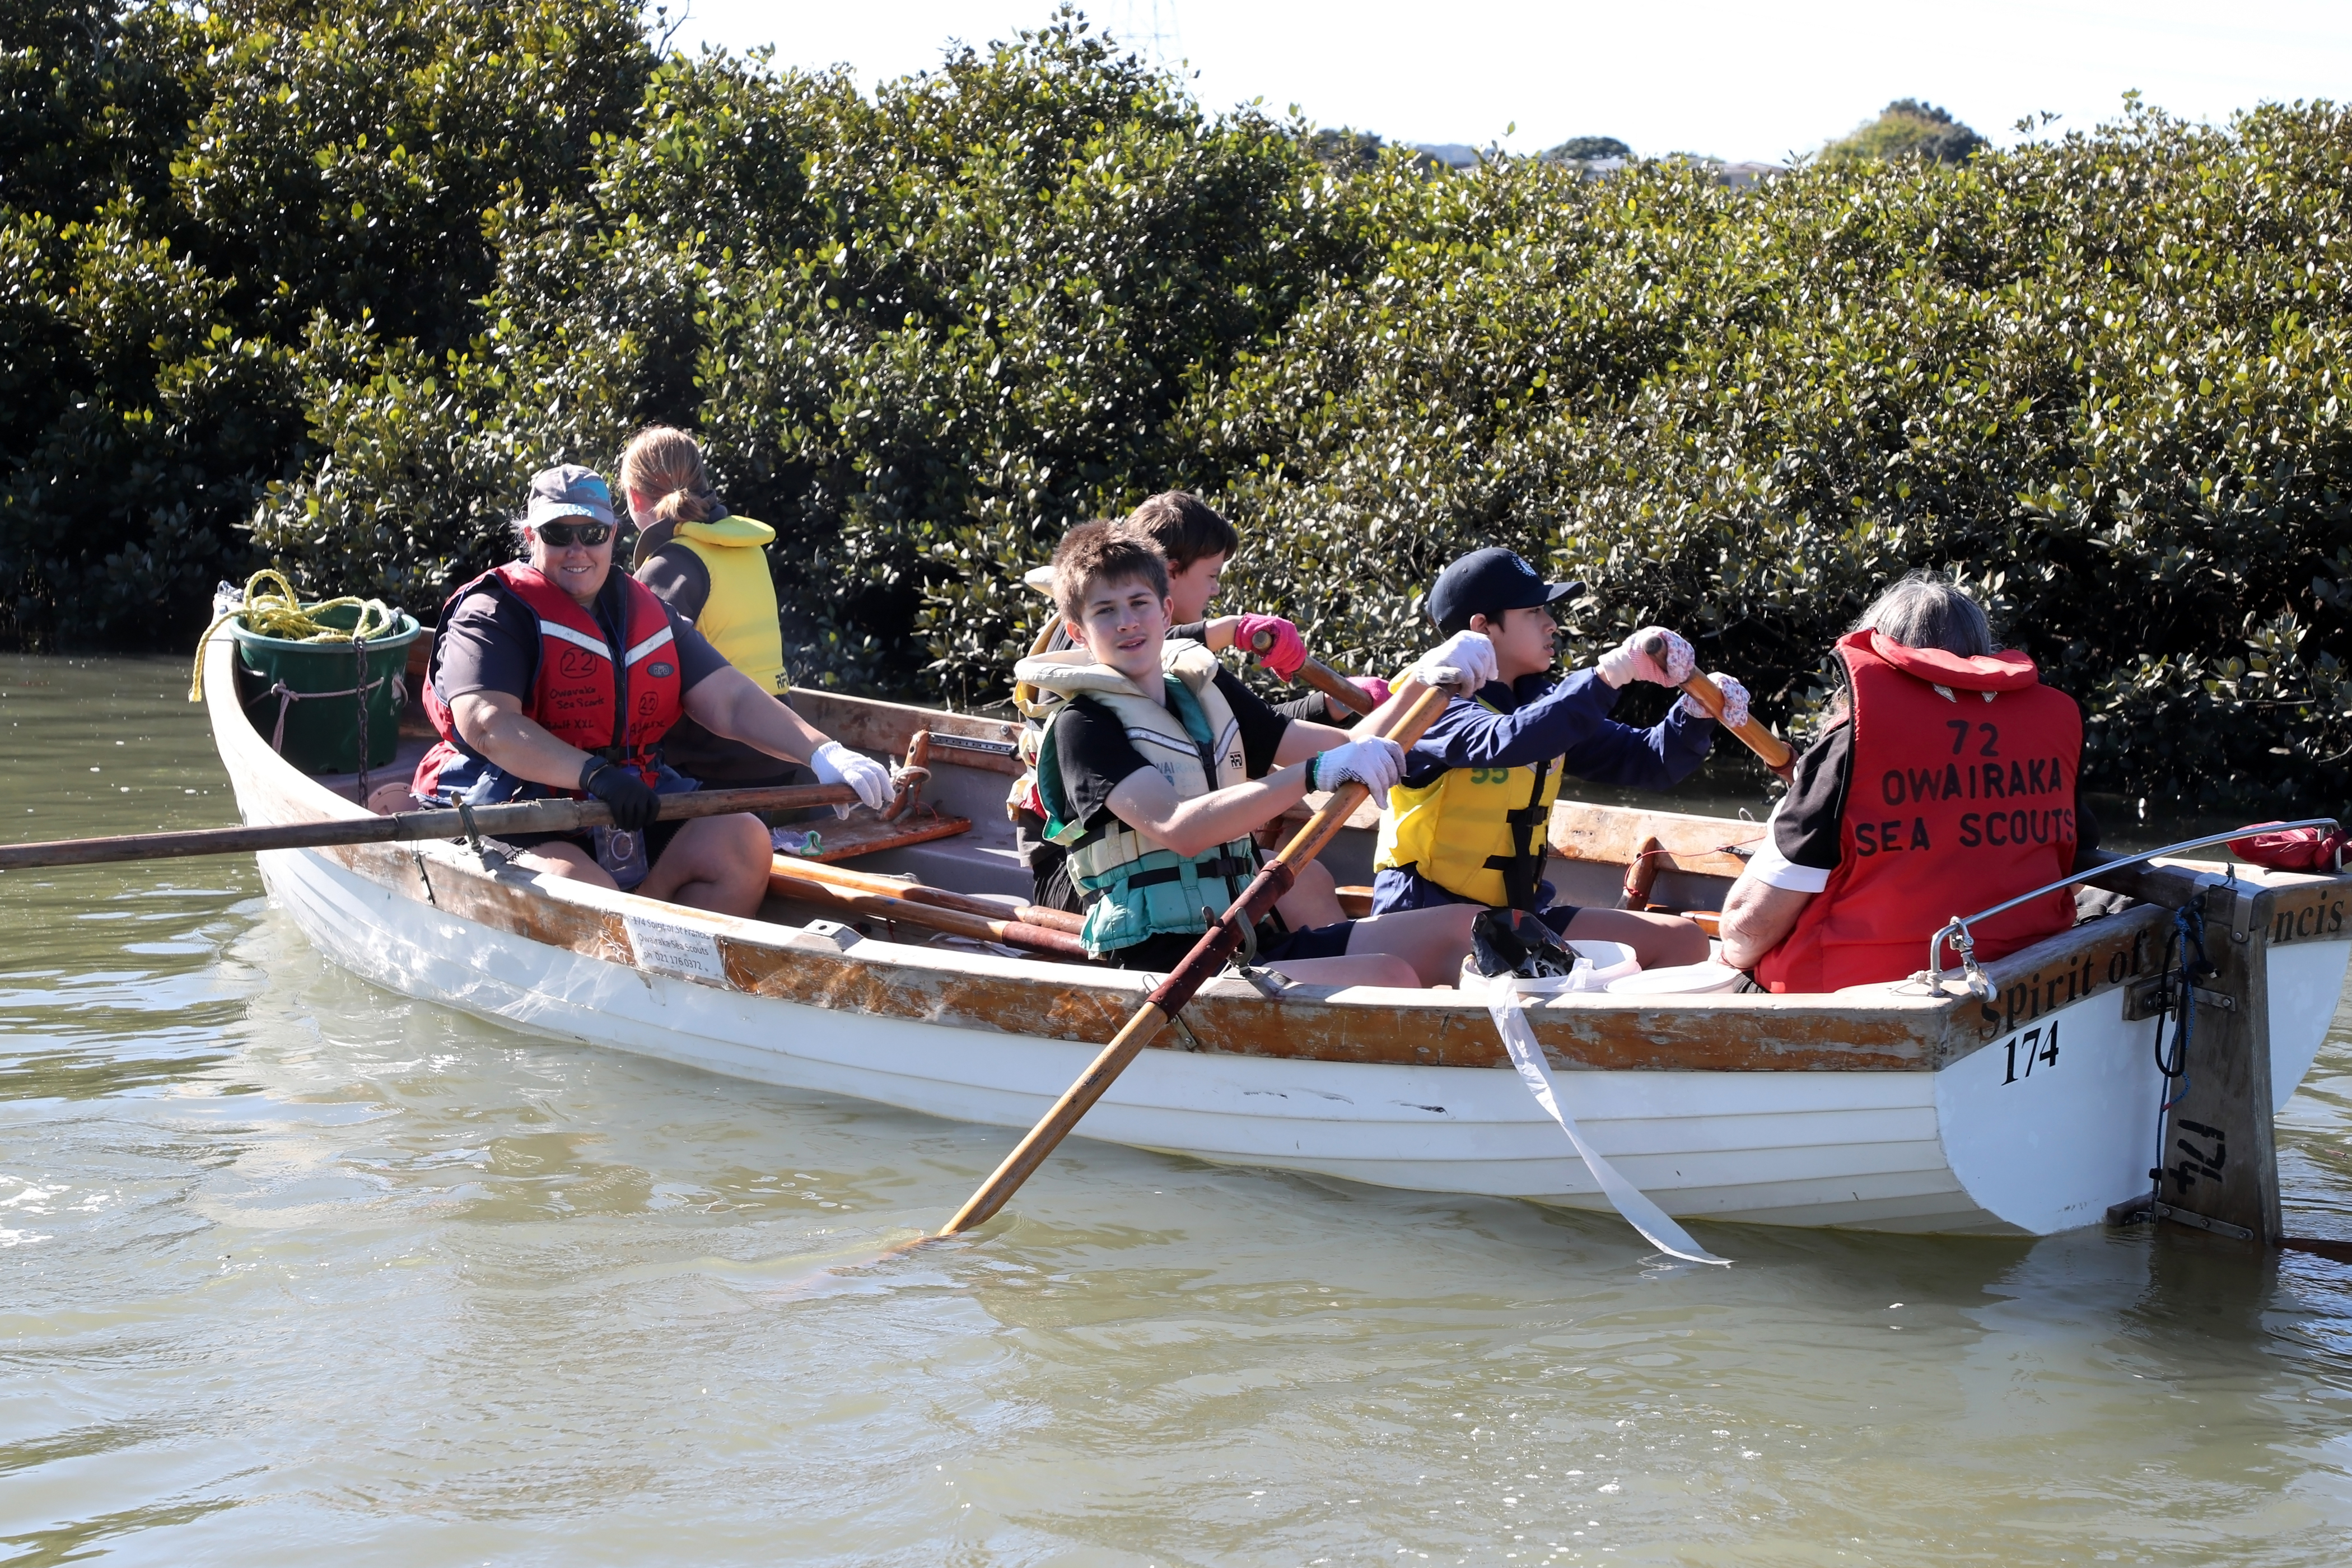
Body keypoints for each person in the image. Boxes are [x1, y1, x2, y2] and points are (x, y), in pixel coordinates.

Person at [409, 464, 896, 914]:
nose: (577, 550)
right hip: (521, 808)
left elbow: (730, 698)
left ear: (613, 535)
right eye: (559, 535)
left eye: (592, 534)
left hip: (630, 799)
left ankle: (664, 965)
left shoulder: (647, 611)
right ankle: (619, 954)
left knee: (744, 840)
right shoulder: (494, 613)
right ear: (531, 537)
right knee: (584, 892)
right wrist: (595, 775)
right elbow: (488, 725)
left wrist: (823, 752)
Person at [1019, 521, 1477, 987]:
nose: (1127, 622)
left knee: (1467, 930)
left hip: (1243, 938)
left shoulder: (1203, 691)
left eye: (1139, 603)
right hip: (1167, 964)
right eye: (1105, 611)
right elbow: (1181, 828)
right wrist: (1312, 774)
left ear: (1166, 610)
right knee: (1388, 974)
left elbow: (1348, 747)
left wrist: (1422, 679)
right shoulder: (1083, 725)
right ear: (1078, 632)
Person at [1718, 572, 2098, 991]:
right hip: (2016, 983)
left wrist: (1724, 959)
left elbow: (1747, 933)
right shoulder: (2045, 736)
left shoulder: (1848, 748)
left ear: (1882, 651)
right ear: (1981, 654)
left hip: (1850, 995)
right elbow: (2073, 870)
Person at [1014, 491, 1383, 922]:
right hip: (1085, 876)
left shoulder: (1185, 671)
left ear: (1163, 606)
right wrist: (1233, 629)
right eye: (1211, 574)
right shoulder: (1087, 650)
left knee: (1308, 879)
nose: (1216, 587)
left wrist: (1335, 703)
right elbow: (1161, 641)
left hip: (1194, 869)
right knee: (1298, 887)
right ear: (1171, 575)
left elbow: (1264, 729)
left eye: (1140, 604)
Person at [1371, 547, 1734, 969]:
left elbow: (1649, 761)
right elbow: (1504, 742)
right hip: (1426, 919)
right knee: (1544, 969)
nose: (1552, 624)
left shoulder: (1540, 703)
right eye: (1534, 611)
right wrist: (1608, 675)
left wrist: (1695, 713)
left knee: (1684, 942)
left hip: (1516, 921)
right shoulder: (1429, 704)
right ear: (1482, 627)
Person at [622, 426, 876, 824]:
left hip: (713, 765)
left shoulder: (667, 567)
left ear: (635, 498)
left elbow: (639, 681)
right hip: (778, 753)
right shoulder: (745, 547)